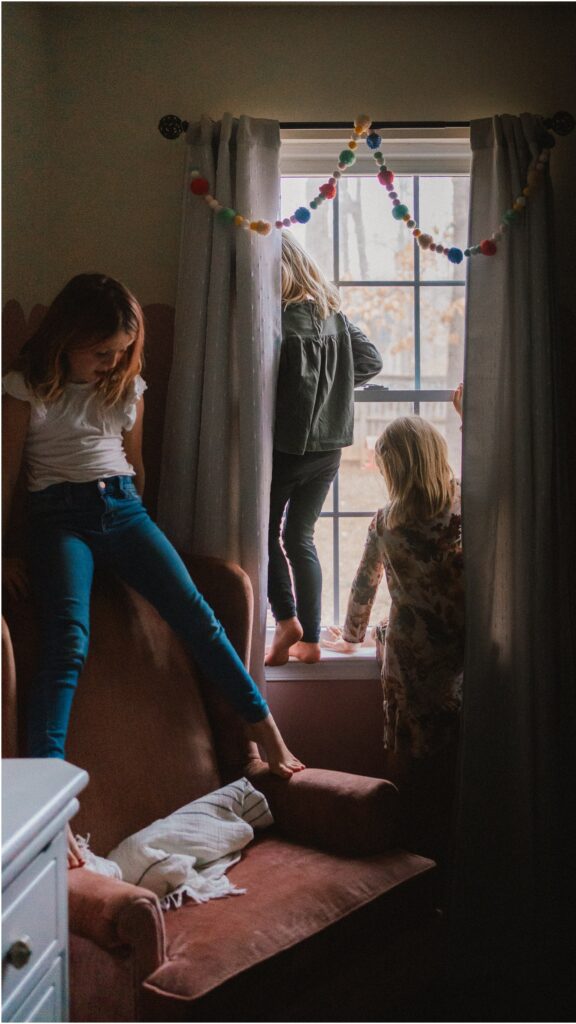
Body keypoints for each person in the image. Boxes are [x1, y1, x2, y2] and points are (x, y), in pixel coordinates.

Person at [2, 273, 304, 865]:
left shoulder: (125, 388)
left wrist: (143, 548)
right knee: (68, 640)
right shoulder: (25, 387)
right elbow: (5, 477)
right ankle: (48, 806)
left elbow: (137, 470)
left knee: (196, 612)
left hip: (122, 508)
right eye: (100, 352)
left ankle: (262, 727)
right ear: (67, 337)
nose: (110, 363)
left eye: (119, 353)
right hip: (56, 516)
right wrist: (5, 551)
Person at [325, 400, 464, 863]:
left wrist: (349, 635)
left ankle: (409, 850)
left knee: (408, 754)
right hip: (462, 648)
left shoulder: (387, 522)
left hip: (410, 656)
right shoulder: (466, 507)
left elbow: (364, 588)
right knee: (458, 757)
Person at [265, 231, 382, 666]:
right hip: (329, 449)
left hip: (288, 448)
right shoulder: (334, 316)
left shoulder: (276, 321)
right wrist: (336, 392)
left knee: (266, 531)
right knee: (300, 536)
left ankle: (285, 620)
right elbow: (371, 361)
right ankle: (310, 641)